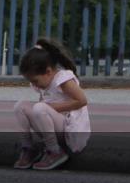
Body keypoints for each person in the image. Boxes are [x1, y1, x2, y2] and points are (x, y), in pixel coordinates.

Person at [12, 38, 90, 170]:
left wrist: (50, 107)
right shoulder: (44, 83)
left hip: (71, 131)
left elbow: (82, 101)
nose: (34, 85)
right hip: (57, 127)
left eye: (35, 81)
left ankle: (55, 151)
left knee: (40, 107)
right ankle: (28, 148)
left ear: (48, 72)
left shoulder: (63, 79)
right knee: (20, 106)